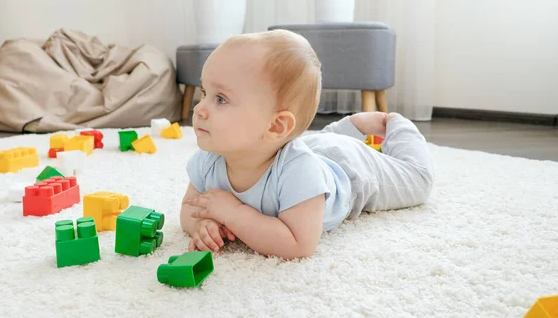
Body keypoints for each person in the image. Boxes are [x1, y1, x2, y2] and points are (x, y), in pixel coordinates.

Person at [180, 29, 434, 260]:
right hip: (309, 147)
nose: (200, 109)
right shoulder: (211, 156)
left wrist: (232, 213)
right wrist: (201, 226)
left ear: (276, 126)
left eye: (221, 99)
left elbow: (298, 244)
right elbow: (187, 211)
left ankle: (397, 124)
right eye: (204, 93)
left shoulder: (300, 171)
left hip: (350, 168)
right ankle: (349, 127)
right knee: (311, 145)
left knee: (419, 182)